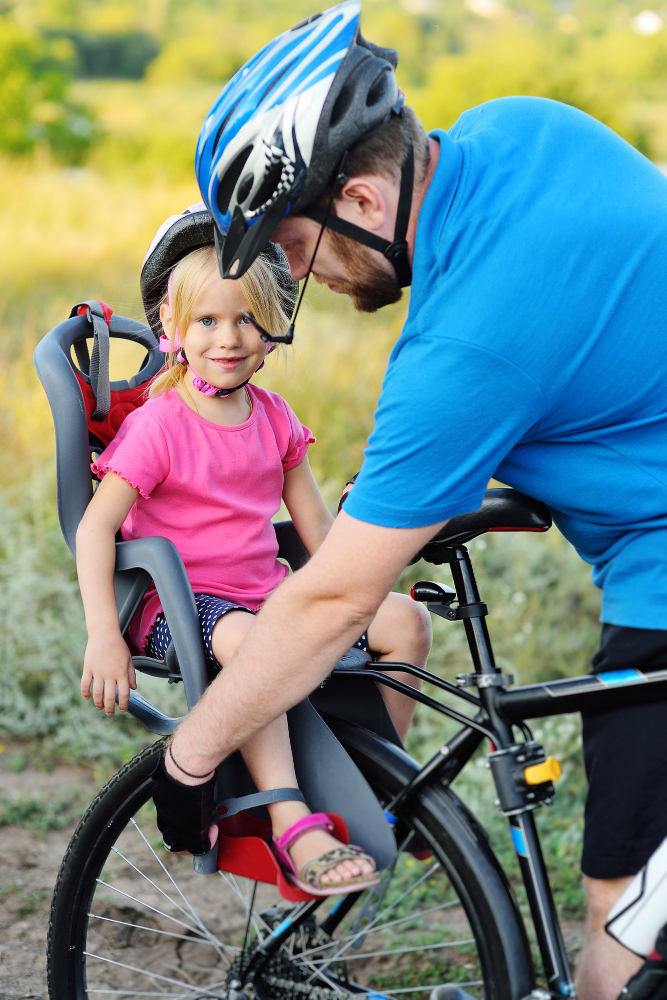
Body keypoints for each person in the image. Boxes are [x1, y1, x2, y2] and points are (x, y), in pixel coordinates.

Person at [160, 2, 666, 997]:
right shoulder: (524, 125)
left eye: (296, 249)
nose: (301, 279)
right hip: (648, 574)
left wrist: (193, 755)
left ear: (358, 195)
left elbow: (332, 601)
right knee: (627, 931)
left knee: (624, 940)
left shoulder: (463, 351)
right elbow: (598, 349)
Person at [75, 202, 432, 896]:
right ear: (172, 331)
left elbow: (320, 536)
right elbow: (95, 528)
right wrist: (101, 634)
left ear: (272, 327)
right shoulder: (159, 426)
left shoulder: (275, 420)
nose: (228, 337)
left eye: (246, 317)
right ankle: (291, 816)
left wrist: (364, 584)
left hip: (266, 594)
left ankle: (375, 777)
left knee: (404, 622)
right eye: (207, 320)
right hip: (184, 607)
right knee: (258, 644)